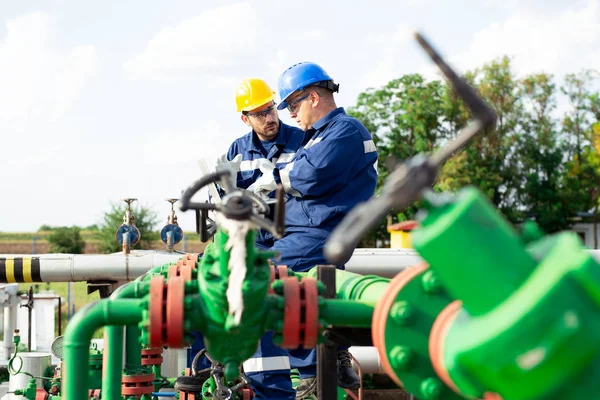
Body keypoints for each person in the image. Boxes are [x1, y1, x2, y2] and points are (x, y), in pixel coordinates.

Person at [248, 61, 379, 397]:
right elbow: (302, 169)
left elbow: (311, 174)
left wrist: (271, 180)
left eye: (293, 103)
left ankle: (305, 377)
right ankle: (326, 359)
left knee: (254, 279)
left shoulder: (345, 130)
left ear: (314, 98)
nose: (290, 113)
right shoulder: (319, 136)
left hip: (320, 236)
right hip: (303, 234)